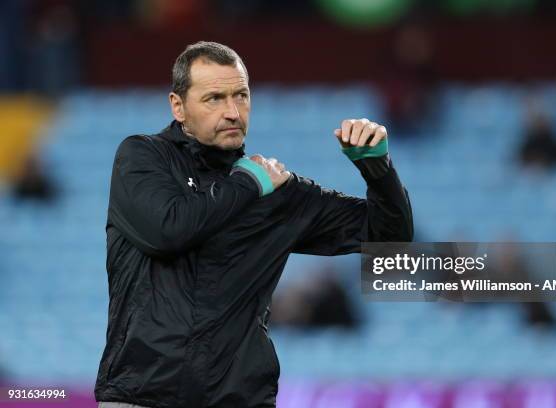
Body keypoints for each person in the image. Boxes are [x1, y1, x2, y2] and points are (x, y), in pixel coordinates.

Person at [95, 41, 414, 408]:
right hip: (142, 399)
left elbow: (390, 237)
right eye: (214, 98)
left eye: (241, 96)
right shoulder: (143, 158)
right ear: (178, 106)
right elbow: (169, 231)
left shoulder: (275, 190)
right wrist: (246, 184)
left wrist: (378, 169)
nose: (233, 112)